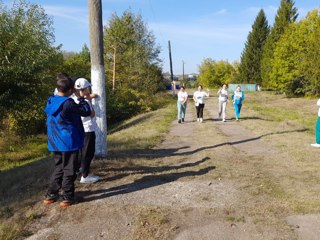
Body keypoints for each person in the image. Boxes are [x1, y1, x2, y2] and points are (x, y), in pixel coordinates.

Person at [43, 73, 91, 207]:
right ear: (70, 90)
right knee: (70, 169)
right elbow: (86, 111)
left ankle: (51, 195)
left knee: (59, 168)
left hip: (55, 142)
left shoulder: (51, 100)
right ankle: (68, 197)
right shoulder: (68, 103)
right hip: (69, 142)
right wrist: (82, 98)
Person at [73, 78, 100, 183]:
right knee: (88, 152)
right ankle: (85, 176)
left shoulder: (73, 99)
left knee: (81, 151)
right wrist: (89, 101)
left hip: (79, 129)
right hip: (88, 129)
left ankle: (80, 169)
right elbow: (92, 114)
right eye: (88, 87)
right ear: (85, 89)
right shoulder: (85, 102)